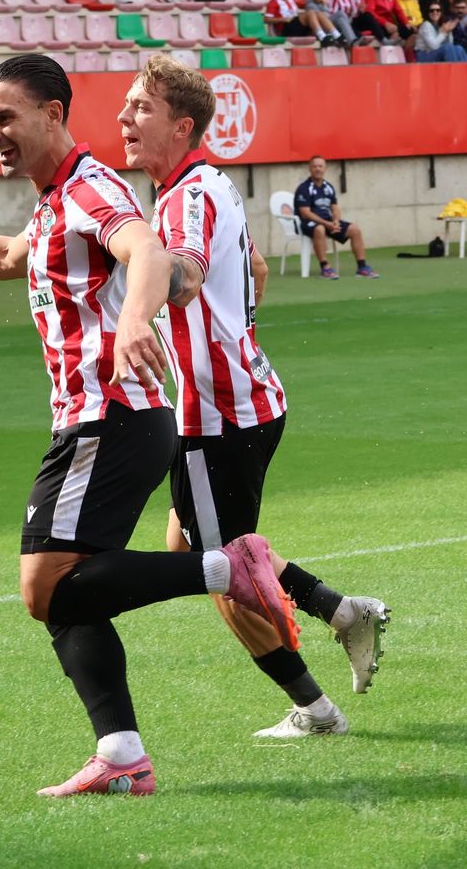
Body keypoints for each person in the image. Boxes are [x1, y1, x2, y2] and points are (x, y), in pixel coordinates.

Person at [0, 54, 299, 797]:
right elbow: (4, 256)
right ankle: (121, 754)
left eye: (6, 118)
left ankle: (229, 568)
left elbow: (146, 248)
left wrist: (131, 324)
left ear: (53, 115)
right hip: (106, 417)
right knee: (68, 588)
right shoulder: (56, 199)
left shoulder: (90, 188)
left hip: (110, 415)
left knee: (44, 587)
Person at [123, 55, 390, 737]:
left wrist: (143, 289)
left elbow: (182, 273)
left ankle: (316, 709)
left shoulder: (185, 198)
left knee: (223, 570)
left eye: (140, 109)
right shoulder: (209, 183)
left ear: (181, 127)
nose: (124, 118)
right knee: (193, 541)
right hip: (243, 399)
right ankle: (339, 611)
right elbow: (257, 269)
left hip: (216, 416)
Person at [293, 156, 377, 278]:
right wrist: (327, 224)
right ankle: (325, 267)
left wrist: (336, 222)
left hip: (328, 222)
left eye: (320, 166)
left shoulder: (328, 187)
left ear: (325, 168)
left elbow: (335, 208)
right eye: (314, 166)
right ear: (309, 168)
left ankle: (362, 267)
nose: (318, 169)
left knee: (355, 229)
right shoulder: (304, 188)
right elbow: (305, 213)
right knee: (320, 229)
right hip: (307, 223)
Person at [265, 0, 342, 46]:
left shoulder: (291, 0)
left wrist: (322, 2)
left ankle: (337, 35)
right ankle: (322, 37)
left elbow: (306, 5)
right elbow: (266, 19)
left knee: (318, 13)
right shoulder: (274, 2)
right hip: (286, 28)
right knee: (311, 12)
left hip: (298, 27)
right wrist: (283, 19)